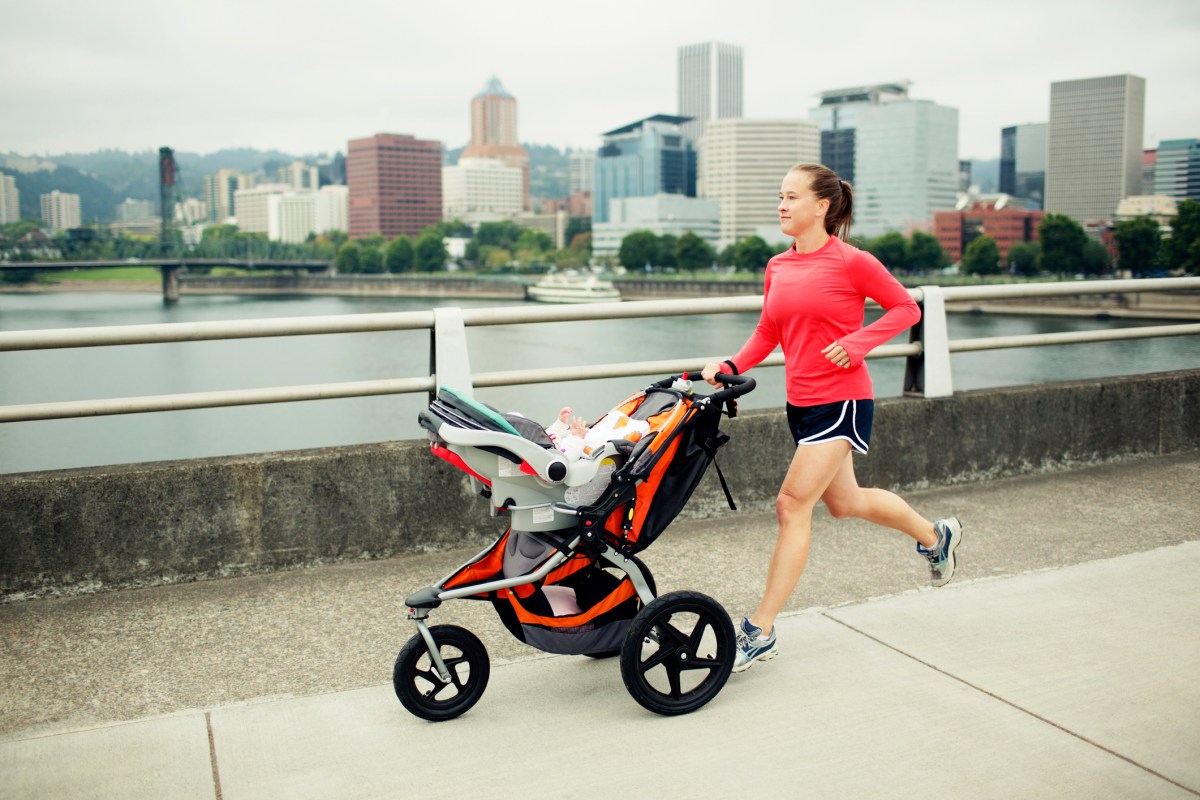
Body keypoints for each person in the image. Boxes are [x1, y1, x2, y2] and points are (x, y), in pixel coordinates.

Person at [701, 162, 962, 673]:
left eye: (792, 197)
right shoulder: (778, 266)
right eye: (780, 196)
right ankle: (937, 537)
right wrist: (730, 365)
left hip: (843, 400)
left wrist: (857, 342)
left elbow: (906, 308)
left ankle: (760, 630)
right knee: (846, 503)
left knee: (791, 504)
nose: (782, 205)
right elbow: (767, 332)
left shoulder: (852, 262)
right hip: (800, 403)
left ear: (822, 206)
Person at [545, 407, 649, 461]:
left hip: (571, 442)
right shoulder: (547, 457)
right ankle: (628, 432)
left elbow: (549, 434)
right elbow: (567, 459)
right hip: (577, 452)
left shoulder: (540, 439)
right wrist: (578, 437)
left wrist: (560, 422)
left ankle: (618, 423)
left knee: (597, 431)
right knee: (604, 443)